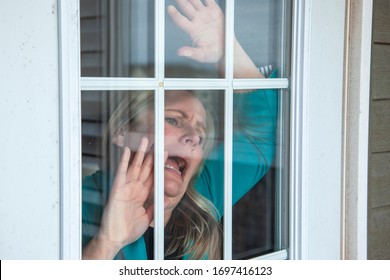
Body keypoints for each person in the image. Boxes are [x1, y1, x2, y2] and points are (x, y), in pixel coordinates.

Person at [82, 0, 277, 260]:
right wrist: (108, 241)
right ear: (122, 131)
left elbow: (260, 137)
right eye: (173, 120)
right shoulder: (79, 202)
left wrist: (227, 52)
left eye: (201, 131)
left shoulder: (202, 196)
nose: (194, 137)